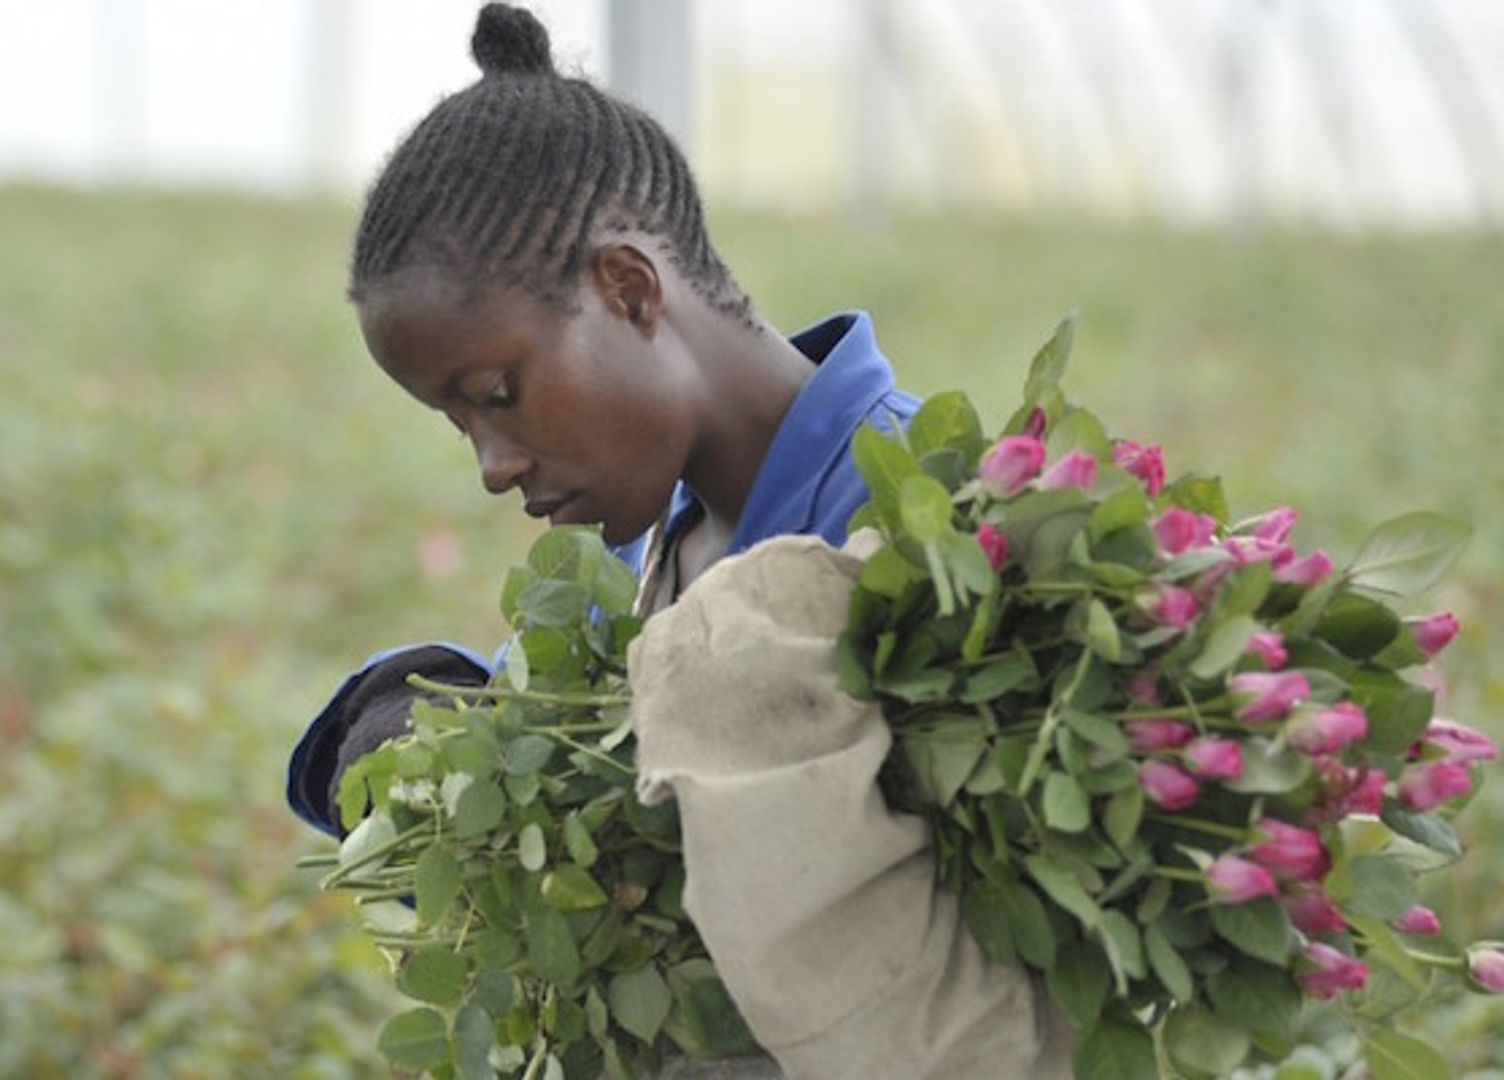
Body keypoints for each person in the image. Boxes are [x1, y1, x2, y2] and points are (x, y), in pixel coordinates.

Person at [285, 6, 1074, 1078]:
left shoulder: (929, 528)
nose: (493, 464)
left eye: (499, 395)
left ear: (628, 287)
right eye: (460, 424)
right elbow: (561, 758)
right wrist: (411, 712)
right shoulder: (639, 558)